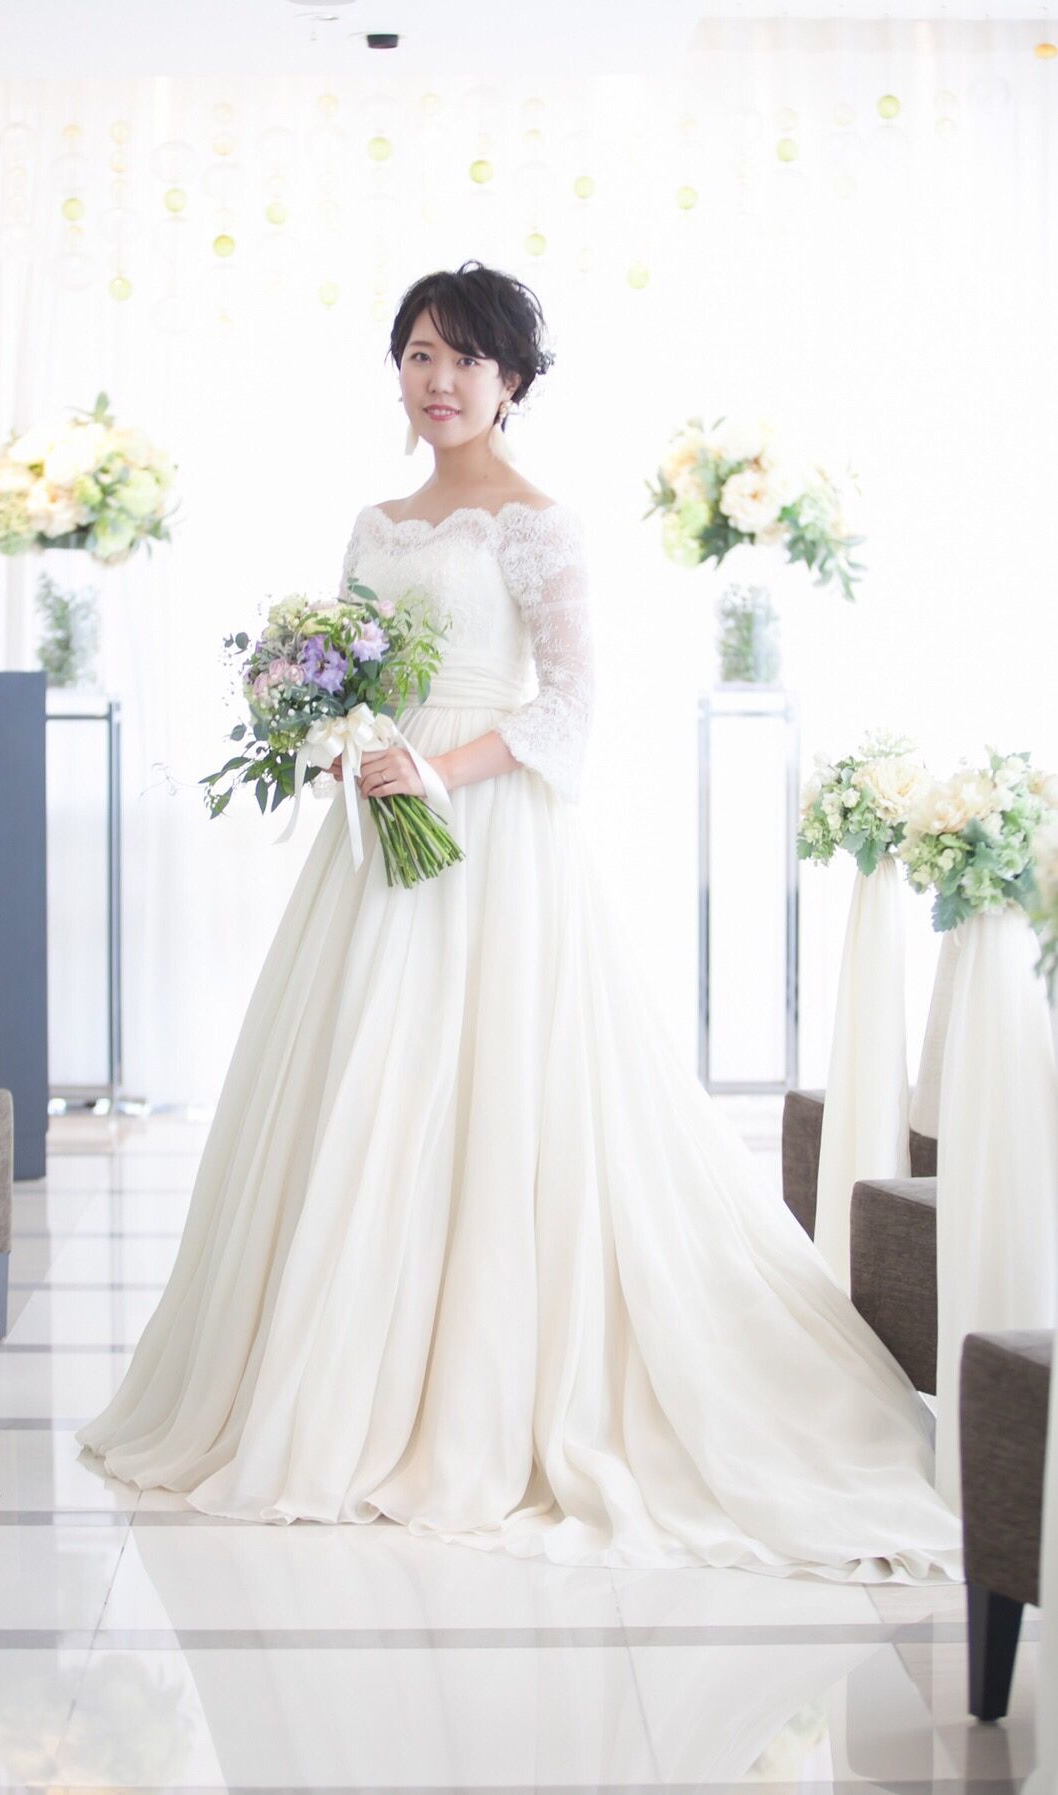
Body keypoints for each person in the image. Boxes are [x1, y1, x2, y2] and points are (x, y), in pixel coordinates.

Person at [78, 260, 962, 1581]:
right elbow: (356, 669)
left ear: (514, 383)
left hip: (491, 841)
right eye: (418, 355)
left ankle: (487, 1399)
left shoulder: (540, 525)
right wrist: (335, 737)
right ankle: (338, 1388)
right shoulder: (374, 523)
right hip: (378, 844)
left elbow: (571, 706)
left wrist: (436, 768)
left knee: (492, 1099)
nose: (438, 381)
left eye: (466, 360)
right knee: (363, 1098)